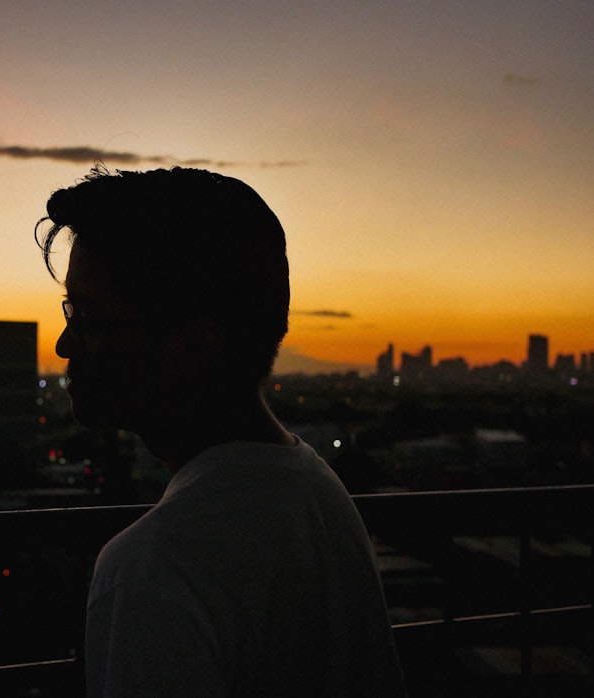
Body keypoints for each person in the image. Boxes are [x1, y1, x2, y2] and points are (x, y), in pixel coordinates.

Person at [36, 166, 406, 697]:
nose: (65, 346)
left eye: (90, 317)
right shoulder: (318, 493)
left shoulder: (154, 567)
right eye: (71, 310)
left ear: (189, 345)